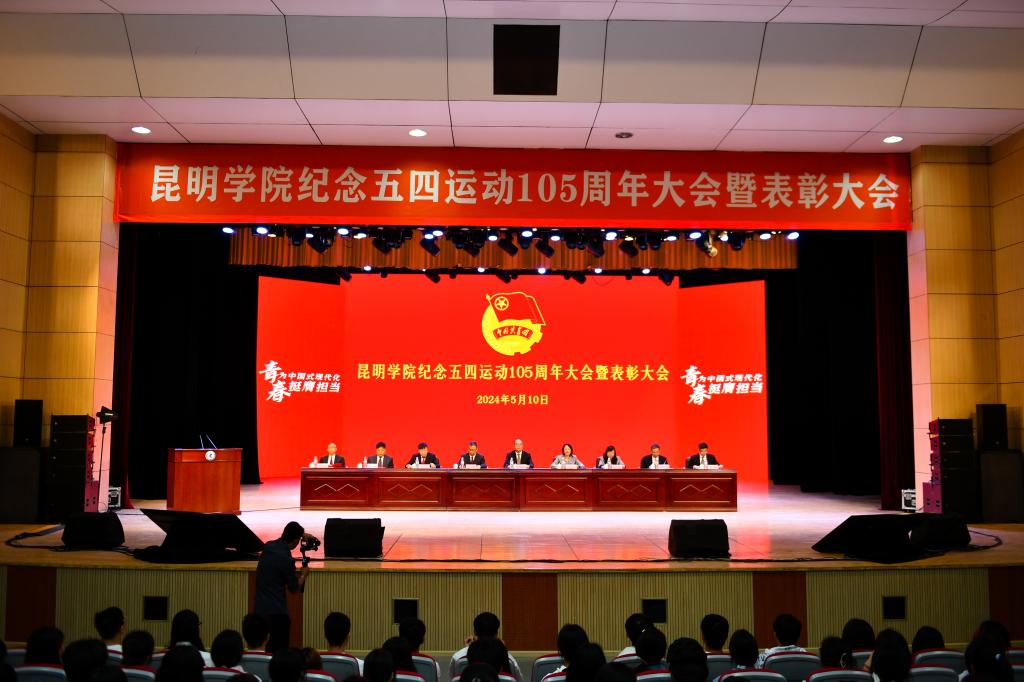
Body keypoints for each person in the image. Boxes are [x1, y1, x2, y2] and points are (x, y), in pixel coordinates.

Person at [254, 522, 310, 652]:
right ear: (295, 541)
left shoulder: (268, 546)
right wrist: (303, 575)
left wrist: (301, 534)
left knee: (262, 652)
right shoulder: (286, 559)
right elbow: (294, 588)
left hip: (259, 611)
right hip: (277, 615)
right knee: (279, 653)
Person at [449, 612, 522, 681]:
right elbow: (517, 679)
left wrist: (465, 649)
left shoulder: (458, 656)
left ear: (475, 632)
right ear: (496, 633)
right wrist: (504, 650)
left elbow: (453, 678)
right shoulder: (508, 658)